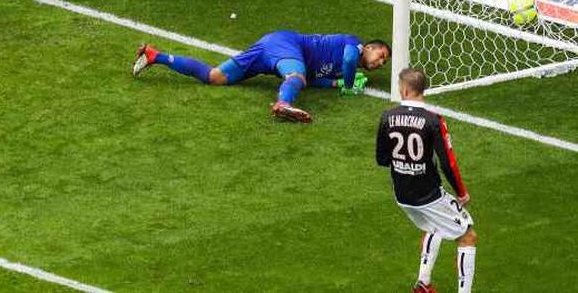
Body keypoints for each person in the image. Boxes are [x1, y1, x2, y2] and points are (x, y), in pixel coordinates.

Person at [132, 31, 391, 123]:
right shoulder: (353, 44)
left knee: (214, 76)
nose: (379, 62)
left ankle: (155, 55)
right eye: (380, 55)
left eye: (383, 62)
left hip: (273, 50)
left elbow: (311, 79)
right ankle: (283, 104)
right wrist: (348, 85)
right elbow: (349, 60)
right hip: (285, 45)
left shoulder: (340, 68)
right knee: (295, 75)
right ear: (368, 47)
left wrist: (336, 83)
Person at [376, 68, 477, 293]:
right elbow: (448, 163)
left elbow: (382, 159)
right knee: (467, 236)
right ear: (423, 89)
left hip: (402, 195)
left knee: (433, 226)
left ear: (404, 90)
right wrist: (461, 192)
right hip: (429, 195)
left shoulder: (386, 117)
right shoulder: (433, 120)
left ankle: (423, 284)